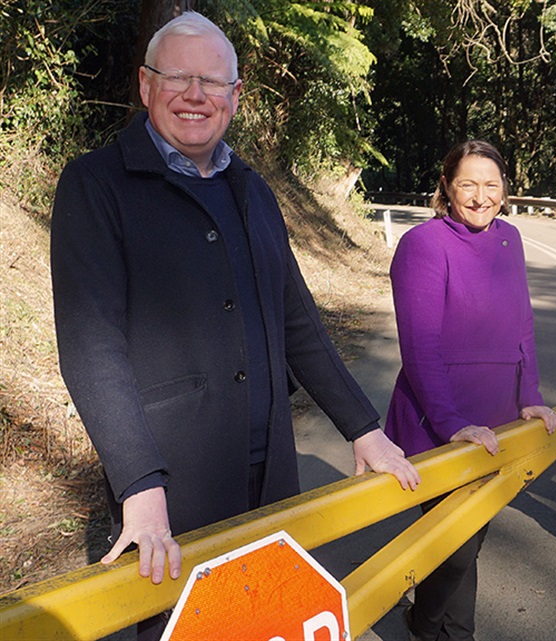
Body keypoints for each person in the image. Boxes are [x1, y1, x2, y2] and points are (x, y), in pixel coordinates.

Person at [50, 11, 420, 638]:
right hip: (175, 476)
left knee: (266, 617)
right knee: (183, 626)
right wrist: (139, 484)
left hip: (271, 464)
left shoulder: (252, 188)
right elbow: (91, 346)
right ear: (145, 86)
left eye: (213, 83)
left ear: (236, 96)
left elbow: (298, 321)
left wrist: (364, 428)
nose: (195, 95)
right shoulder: (96, 184)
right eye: (178, 78)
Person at [384, 139, 556, 641]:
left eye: (491, 184)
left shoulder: (511, 239)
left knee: (469, 541)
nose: (480, 197)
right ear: (446, 187)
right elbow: (420, 348)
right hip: (438, 422)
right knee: (455, 546)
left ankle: (445, 627)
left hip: (499, 419)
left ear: (505, 189)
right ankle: (432, 626)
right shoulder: (423, 244)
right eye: (467, 184)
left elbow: (522, 324)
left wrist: (531, 394)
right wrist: (453, 424)